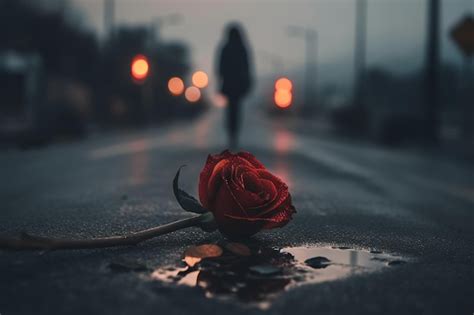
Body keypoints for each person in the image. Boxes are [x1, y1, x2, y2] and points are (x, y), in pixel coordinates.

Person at [216, 23, 253, 149]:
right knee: (236, 110)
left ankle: (232, 134)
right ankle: (234, 134)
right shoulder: (242, 48)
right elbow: (247, 66)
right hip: (238, 85)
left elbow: (220, 67)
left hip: (229, 84)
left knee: (231, 110)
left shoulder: (225, 48)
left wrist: (221, 80)